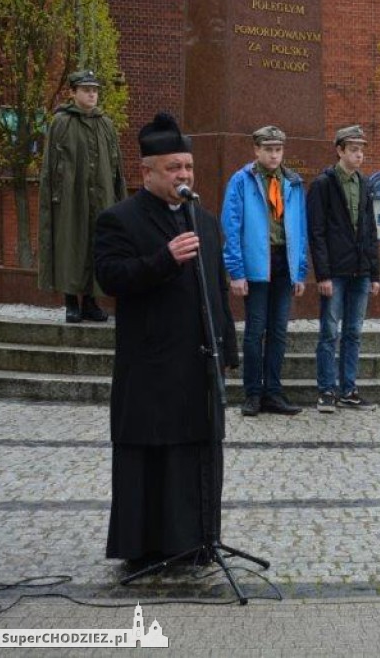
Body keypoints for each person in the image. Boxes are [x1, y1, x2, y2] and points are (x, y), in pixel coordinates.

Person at [95, 112, 238, 564]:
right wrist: (162, 260)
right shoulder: (119, 220)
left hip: (197, 366)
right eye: (174, 168)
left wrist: (227, 346)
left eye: (188, 167)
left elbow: (217, 288)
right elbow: (110, 278)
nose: (184, 175)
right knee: (155, 459)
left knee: (196, 455)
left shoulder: (205, 220)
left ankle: (197, 542)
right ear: (148, 172)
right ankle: (149, 549)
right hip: (151, 368)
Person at [221, 126, 307, 416]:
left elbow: (300, 229)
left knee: (279, 332)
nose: (273, 155)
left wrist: (300, 271)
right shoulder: (242, 180)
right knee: (255, 330)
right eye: (268, 149)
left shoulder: (293, 182)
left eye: (278, 149)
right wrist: (236, 271)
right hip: (257, 265)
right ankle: (253, 393)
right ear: (256, 150)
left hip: (284, 263)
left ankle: (273, 391)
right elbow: (231, 227)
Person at [39, 70, 127, 323]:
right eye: (86, 89)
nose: (92, 94)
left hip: (101, 196)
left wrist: (118, 198)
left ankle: (90, 301)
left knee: (97, 244)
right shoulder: (62, 122)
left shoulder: (105, 124)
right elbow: (50, 166)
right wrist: (55, 196)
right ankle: (70, 301)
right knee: (71, 242)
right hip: (70, 196)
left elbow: (116, 167)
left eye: (95, 90)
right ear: (73, 92)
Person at [306, 125, 380, 412]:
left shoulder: (365, 183)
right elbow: (317, 232)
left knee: (353, 332)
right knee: (328, 332)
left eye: (361, 149)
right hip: (334, 273)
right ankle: (326, 390)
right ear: (339, 150)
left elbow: (370, 230)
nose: (359, 155)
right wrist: (322, 274)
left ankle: (349, 389)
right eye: (353, 149)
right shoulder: (323, 184)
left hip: (360, 272)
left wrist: (374, 273)